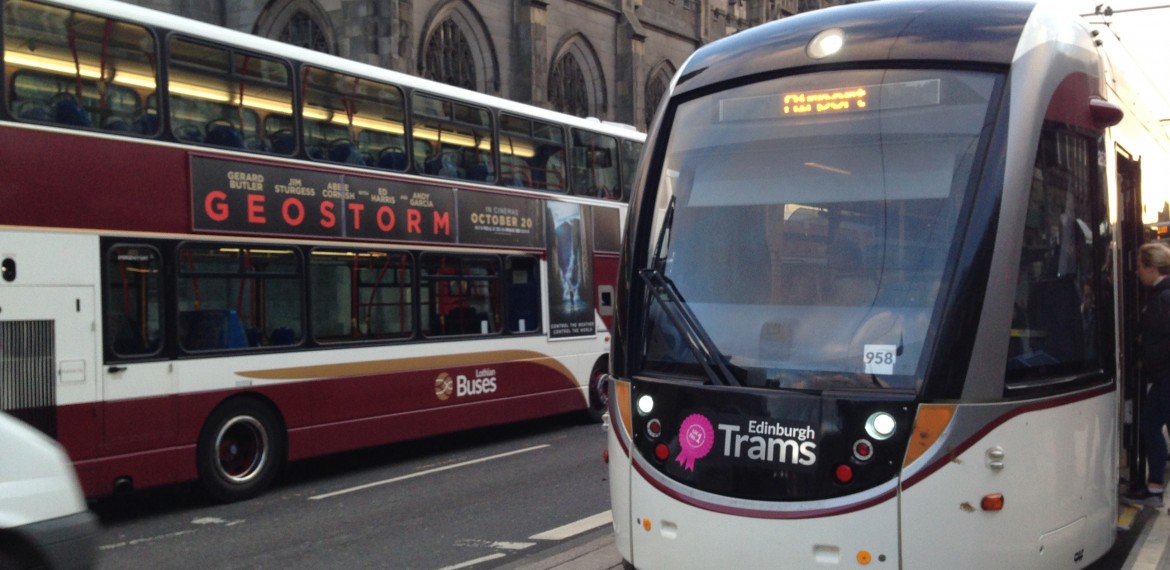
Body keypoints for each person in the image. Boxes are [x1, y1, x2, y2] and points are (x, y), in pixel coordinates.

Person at [1126, 241, 1170, 507]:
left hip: (1166, 376)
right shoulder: (1158, 294)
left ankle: (1155, 488)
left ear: (1152, 267)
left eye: (1140, 267)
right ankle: (1154, 486)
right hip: (1163, 375)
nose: (1137, 272)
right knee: (1152, 424)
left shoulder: (1164, 296)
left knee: (1150, 425)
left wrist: (1149, 357)